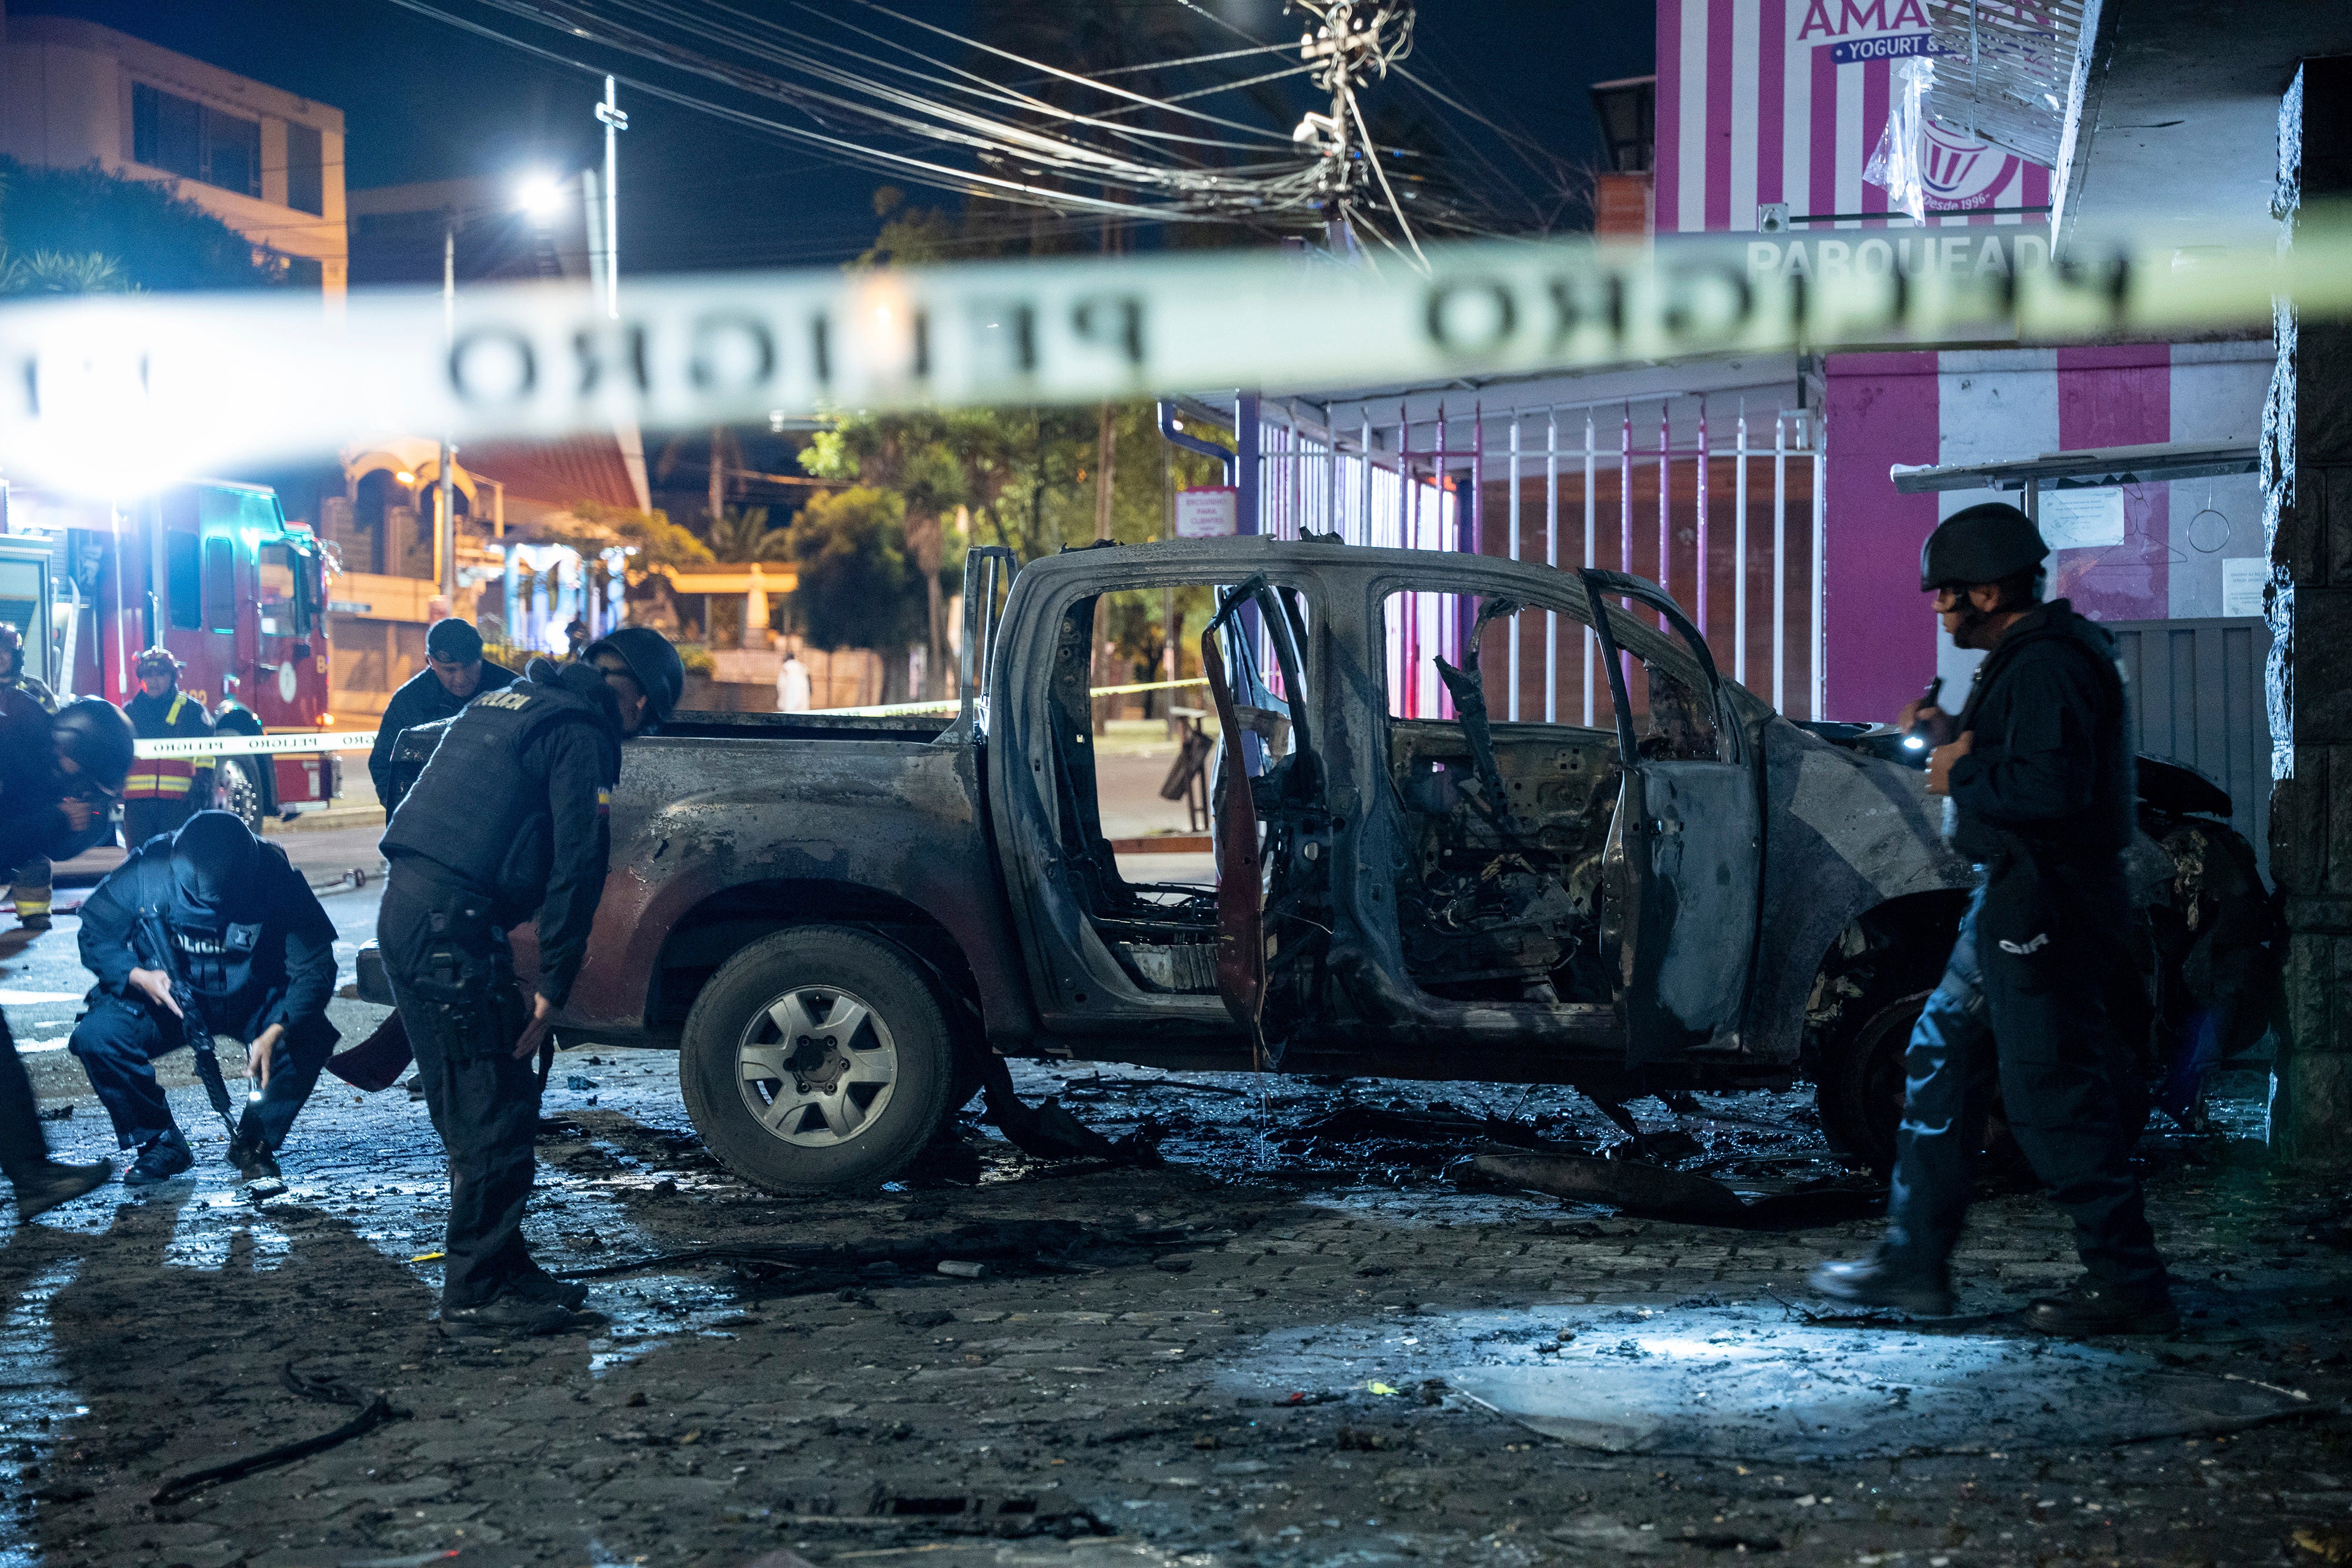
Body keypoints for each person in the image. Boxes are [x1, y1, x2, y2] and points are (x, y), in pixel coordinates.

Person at [1811, 502, 2174, 1336]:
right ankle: (1914, 1263)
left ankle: (2130, 1283)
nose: (1938, 609)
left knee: (2051, 1091)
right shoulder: (2033, 658)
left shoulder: (2046, 663)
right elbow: (2021, 753)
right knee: (1939, 1058)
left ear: (1987, 589)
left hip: (2041, 900)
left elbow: (2051, 790)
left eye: (1946, 594)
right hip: (2010, 898)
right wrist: (1950, 735)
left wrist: (1956, 775)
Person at [377, 624, 680, 1335]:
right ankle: (478, 1294)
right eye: (647, 718)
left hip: (412, 916)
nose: (638, 732)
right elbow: (581, 862)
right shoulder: (581, 731)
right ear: (633, 697)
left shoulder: (508, 700)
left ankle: (505, 1267)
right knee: (495, 1112)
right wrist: (555, 980)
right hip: (450, 931)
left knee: (473, 1106)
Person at [69, 811, 340, 1184]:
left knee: (309, 1033)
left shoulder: (274, 875)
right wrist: (136, 975)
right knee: (98, 1037)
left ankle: (254, 1143)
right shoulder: (149, 870)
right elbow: (96, 930)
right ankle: (160, 1143)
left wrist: (278, 1027)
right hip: (169, 999)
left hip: (251, 999)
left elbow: (315, 964)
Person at [0, 697, 132, 1217]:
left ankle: (33, 1174)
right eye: (82, 777)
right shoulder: (16, 749)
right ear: (71, 749)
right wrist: (53, 817)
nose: (78, 790)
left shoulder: (29, 746)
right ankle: (33, 1176)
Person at [368, 618, 518, 818]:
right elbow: (383, 763)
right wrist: (407, 813)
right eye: (451, 670)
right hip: (432, 817)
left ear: (481, 658)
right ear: (430, 661)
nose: (461, 679)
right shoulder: (409, 702)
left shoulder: (512, 691)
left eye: (469, 667)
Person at [121, 648, 214, 847]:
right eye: (148, 675)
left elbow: (207, 754)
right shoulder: (128, 712)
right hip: (137, 807)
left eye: (161, 674)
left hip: (178, 804)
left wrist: (201, 786)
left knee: (175, 862)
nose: (154, 681)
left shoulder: (192, 711)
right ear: (141, 678)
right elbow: (118, 756)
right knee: (138, 864)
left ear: (172, 677)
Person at [0, 624, 59, 930]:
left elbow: (56, 736)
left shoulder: (35, 690)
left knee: (31, 847)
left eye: (5, 652)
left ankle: (35, 910)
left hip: (27, 788)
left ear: (17, 656)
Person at [776, 650, 811, 714]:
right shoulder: (801, 666)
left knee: (791, 706)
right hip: (802, 688)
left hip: (791, 688)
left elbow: (781, 683)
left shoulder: (787, 666)